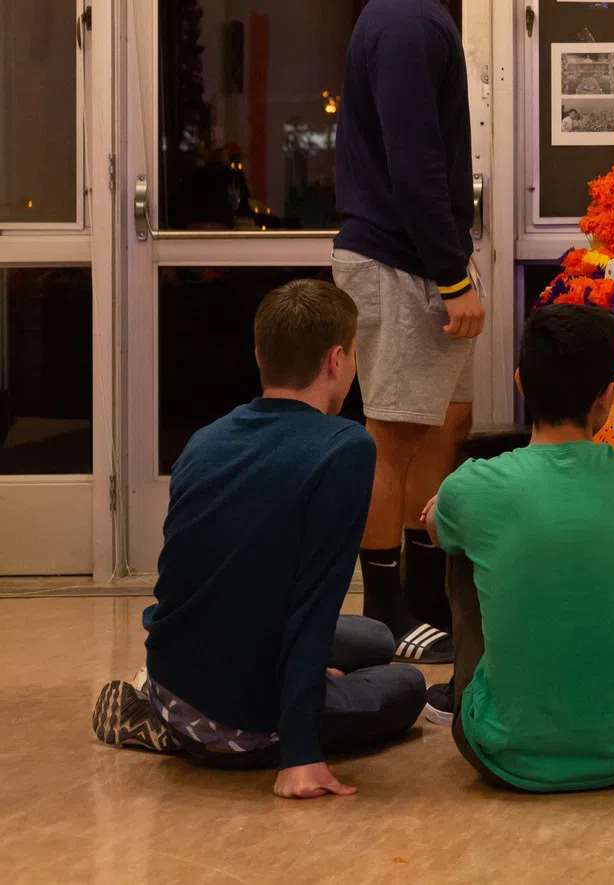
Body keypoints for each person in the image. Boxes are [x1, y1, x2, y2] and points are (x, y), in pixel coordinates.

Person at [90, 280, 426, 799]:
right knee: (406, 688)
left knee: (377, 639)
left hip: (175, 673)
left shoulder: (207, 438)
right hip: (234, 721)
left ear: (259, 355)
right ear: (336, 360)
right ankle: (200, 731)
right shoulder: (344, 448)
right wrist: (301, 753)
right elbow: (316, 601)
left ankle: (158, 705)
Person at [332, 0, 500, 665]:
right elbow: (413, 165)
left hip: (425, 261)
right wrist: (454, 275)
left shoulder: (425, 18)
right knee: (392, 437)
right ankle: (388, 611)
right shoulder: (406, 21)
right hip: (399, 263)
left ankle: (431, 592)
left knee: (445, 425)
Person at [426, 305, 614, 792]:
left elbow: (436, 531)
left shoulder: (471, 486)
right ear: (607, 397)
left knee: (463, 545)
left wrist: (448, 507)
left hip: (502, 757)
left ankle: (473, 693)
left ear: (521, 384)